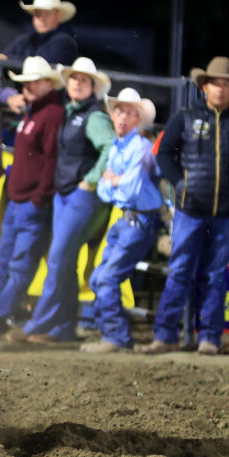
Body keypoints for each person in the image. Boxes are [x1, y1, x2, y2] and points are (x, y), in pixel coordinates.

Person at [143, 57, 229, 355]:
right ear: (205, 86)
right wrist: (180, 183)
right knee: (180, 271)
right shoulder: (185, 117)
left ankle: (210, 338)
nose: (221, 89)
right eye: (216, 83)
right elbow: (164, 154)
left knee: (214, 276)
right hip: (190, 211)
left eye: (227, 84)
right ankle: (166, 335)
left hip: (225, 214)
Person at [7, 56, 114, 344]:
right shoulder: (72, 111)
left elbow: (109, 148)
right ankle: (62, 329)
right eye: (74, 79)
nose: (77, 84)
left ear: (93, 86)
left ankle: (37, 325)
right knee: (64, 262)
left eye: (83, 80)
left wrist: (89, 180)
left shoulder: (94, 116)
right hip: (67, 195)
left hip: (81, 196)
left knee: (58, 259)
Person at [0, 56, 64, 336]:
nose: (30, 87)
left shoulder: (52, 114)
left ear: (48, 83)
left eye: (35, 82)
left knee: (17, 267)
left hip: (31, 203)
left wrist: (39, 198)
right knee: (5, 264)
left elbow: (51, 160)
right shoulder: (36, 112)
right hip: (20, 202)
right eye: (27, 82)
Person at [79, 88, 161, 352]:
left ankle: (116, 337)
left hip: (139, 221)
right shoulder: (119, 146)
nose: (123, 117)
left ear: (138, 119)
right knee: (99, 278)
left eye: (130, 113)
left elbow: (132, 189)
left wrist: (114, 181)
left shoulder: (142, 148)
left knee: (106, 278)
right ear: (112, 116)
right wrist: (116, 182)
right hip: (128, 219)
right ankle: (111, 333)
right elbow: (107, 190)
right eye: (119, 111)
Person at [0, 0, 79, 114]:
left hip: (50, 108)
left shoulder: (65, 42)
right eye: (38, 14)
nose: (41, 18)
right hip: (25, 104)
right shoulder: (24, 40)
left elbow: (41, 67)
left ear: (58, 16)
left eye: (47, 14)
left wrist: (5, 60)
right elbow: (2, 64)